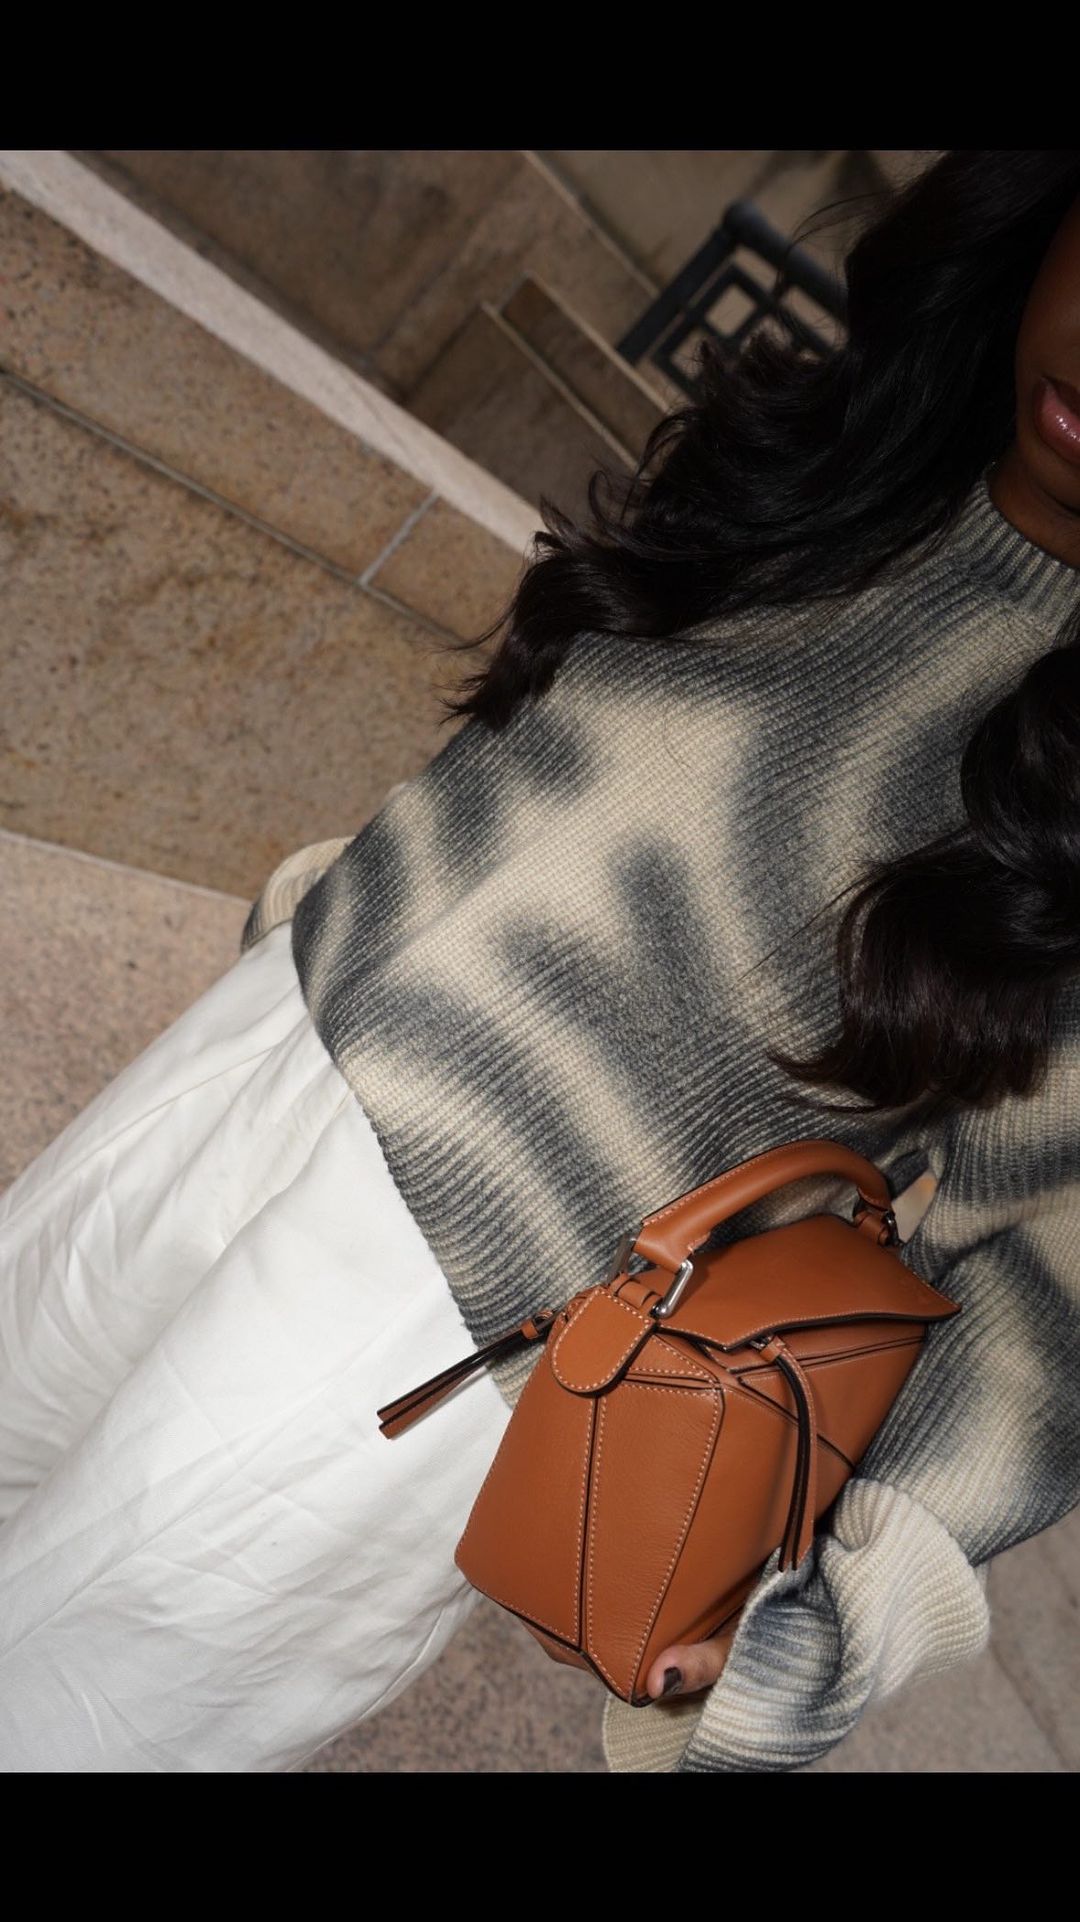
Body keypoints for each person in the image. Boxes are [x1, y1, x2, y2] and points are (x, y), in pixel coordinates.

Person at [1, 147, 1079, 1775]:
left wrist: (830, 1619)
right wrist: (338, 924)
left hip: (434, 1337)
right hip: (271, 1053)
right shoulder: (840, 463)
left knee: (58, 1710)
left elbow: (1050, 1296)